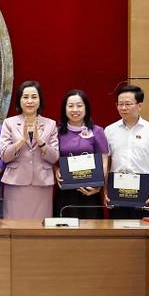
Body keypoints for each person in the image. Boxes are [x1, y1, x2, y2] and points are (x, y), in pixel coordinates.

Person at [104, 85, 149, 219]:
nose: (123, 108)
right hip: (117, 189)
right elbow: (106, 163)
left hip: (144, 190)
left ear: (140, 106)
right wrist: (105, 191)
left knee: (142, 232)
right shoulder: (109, 130)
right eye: (120, 104)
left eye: (128, 104)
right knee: (118, 231)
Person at [0, 81, 59, 219]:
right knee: (15, 225)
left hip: (42, 183)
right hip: (16, 182)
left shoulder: (50, 124)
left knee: (40, 228)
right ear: (19, 100)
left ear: (40, 100)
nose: (30, 101)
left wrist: (40, 140)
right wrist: (22, 139)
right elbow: (5, 156)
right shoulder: (9, 123)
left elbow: (54, 157)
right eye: (25, 97)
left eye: (34, 97)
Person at [54, 89, 109, 219]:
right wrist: (55, 170)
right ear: (65, 109)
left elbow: (104, 161)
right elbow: (49, 159)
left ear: (86, 108)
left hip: (90, 191)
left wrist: (98, 187)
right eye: (70, 106)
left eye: (79, 105)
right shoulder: (57, 132)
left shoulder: (97, 131)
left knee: (90, 233)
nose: (75, 110)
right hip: (65, 192)